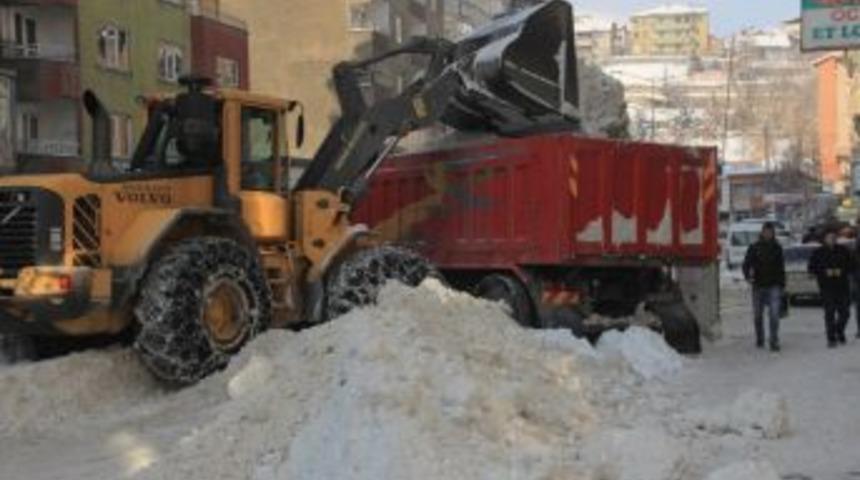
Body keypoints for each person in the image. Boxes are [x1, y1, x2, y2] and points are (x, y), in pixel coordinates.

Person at [742, 222, 786, 352]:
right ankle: (760, 338)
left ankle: (774, 340)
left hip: (774, 286)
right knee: (757, 315)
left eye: (770, 232)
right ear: (762, 233)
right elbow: (746, 264)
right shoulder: (754, 247)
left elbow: (781, 268)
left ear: (773, 233)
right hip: (758, 285)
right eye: (766, 231)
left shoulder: (777, 248)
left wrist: (782, 285)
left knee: (774, 315)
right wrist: (747, 276)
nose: (768, 234)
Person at [808, 230, 854, 348]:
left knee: (845, 313)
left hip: (842, 286)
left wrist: (842, 271)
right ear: (824, 239)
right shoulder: (818, 252)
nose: (831, 239)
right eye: (829, 237)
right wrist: (823, 272)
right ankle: (831, 338)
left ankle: (839, 330)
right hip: (826, 286)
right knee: (830, 313)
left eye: (833, 237)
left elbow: (851, 265)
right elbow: (812, 268)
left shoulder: (843, 250)